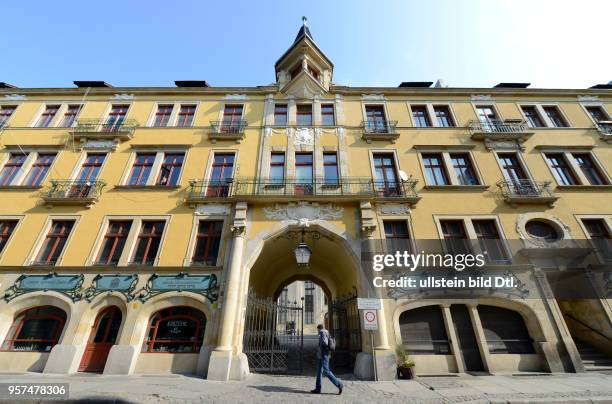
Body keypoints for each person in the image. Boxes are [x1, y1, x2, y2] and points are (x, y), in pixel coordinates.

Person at [311, 324, 343, 395]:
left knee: (326, 371)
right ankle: (318, 388)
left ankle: (339, 384)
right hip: (321, 356)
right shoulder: (326, 332)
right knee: (319, 372)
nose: (317, 331)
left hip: (324, 355)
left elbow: (325, 343)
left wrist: (322, 346)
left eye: (317, 330)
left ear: (319, 329)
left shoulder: (322, 332)